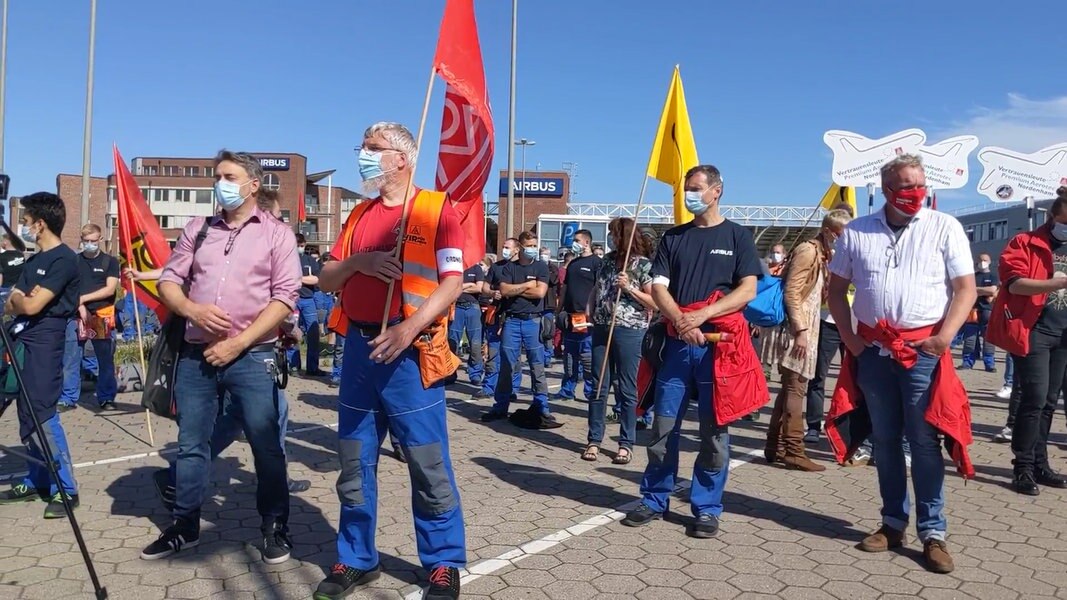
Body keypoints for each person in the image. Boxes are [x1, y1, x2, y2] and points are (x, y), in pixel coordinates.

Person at [315, 122, 465, 600]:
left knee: (427, 462)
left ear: (401, 159)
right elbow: (325, 279)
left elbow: (453, 281)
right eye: (362, 145)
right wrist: (359, 263)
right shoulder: (358, 214)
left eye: (373, 148)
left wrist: (409, 327)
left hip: (410, 352)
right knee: (354, 461)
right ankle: (357, 558)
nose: (363, 154)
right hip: (359, 351)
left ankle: (442, 562)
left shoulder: (437, 208)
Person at [141, 150, 299, 564]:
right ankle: (184, 525)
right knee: (192, 444)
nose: (219, 183)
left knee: (266, 446)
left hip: (252, 356)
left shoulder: (276, 234)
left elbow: (285, 298)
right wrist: (192, 310)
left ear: (252, 184)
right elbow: (170, 281)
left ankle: (274, 526)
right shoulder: (198, 229)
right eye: (216, 176)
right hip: (196, 355)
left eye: (228, 176)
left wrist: (240, 341)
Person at [826, 153, 975, 574]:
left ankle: (934, 532)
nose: (914, 193)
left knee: (924, 441)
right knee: (886, 441)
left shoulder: (944, 226)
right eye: (905, 186)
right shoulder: (857, 230)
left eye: (919, 184)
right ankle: (893, 522)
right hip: (873, 353)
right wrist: (852, 341)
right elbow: (836, 290)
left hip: (922, 353)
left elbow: (964, 289)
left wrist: (944, 338)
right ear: (887, 189)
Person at [621, 164, 764, 538]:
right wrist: (683, 323)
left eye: (697, 188)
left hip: (720, 349)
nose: (690, 195)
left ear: (717, 191)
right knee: (662, 429)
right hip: (678, 346)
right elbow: (658, 287)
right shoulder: (673, 237)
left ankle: (707, 508)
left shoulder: (738, 237)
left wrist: (703, 316)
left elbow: (747, 290)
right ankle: (654, 499)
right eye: (688, 188)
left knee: (715, 434)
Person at [0, 193, 81, 519]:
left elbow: (30, 304)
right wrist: (21, 300)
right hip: (20, 337)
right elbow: (12, 301)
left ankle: (66, 488)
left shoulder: (64, 259)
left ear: (41, 223)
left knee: (42, 411)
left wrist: (22, 300)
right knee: (24, 412)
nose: (25, 226)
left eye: (28, 221)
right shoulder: (34, 260)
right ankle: (37, 478)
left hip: (46, 339)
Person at [987, 186, 1067, 496]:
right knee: (1032, 398)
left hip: (1063, 335)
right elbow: (1014, 284)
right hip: (1034, 331)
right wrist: (1055, 283)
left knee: (1049, 402)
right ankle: (1022, 467)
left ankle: (1040, 463)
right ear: (1052, 217)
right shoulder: (1025, 242)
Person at [762, 210, 851, 471]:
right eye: (840, 236)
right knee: (795, 388)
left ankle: (774, 446)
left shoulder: (821, 254)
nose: (843, 241)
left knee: (791, 386)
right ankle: (794, 450)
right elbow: (791, 292)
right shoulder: (808, 251)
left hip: (805, 329)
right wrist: (800, 331)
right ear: (827, 231)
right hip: (797, 330)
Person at [583, 217, 656, 464]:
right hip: (602, 327)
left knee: (626, 388)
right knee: (598, 383)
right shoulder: (606, 261)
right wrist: (590, 306)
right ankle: (594, 438)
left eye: (615, 234)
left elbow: (654, 303)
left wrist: (630, 289)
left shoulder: (643, 265)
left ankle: (626, 443)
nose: (612, 238)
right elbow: (597, 288)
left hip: (629, 329)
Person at [481, 231, 554, 427]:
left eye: (535, 245)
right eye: (529, 245)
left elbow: (540, 292)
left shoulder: (541, 267)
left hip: (533, 322)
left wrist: (517, 288)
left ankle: (542, 407)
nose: (533, 249)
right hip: (511, 322)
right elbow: (504, 291)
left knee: (537, 366)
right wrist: (527, 285)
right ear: (521, 247)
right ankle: (500, 406)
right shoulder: (509, 268)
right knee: (506, 365)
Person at [58, 224, 120, 411]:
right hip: (76, 316)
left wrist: (84, 298)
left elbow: (110, 289)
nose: (90, 244)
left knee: (104, 359)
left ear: (100, 240)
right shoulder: (73, 261)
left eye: (93, 241)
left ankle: (106, 397)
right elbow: (68, 288)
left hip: (101, 315)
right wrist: (80, 305)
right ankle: (68, 398)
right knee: (71, 359)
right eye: (86, 241)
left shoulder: (109, 262)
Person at [475, 239, 522, 402]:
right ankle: (489, 386)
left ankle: (513, 388)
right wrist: (492, 293)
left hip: (513, 315)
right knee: (493, 352)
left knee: (512, 355)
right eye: (503, 247)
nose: (504, 250)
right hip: (495, 314)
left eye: (507, 247)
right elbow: (484, 287)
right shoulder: (496, 267)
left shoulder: (523, 267)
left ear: (516, 250)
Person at [558, 229, 599, 402]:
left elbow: (600, 288)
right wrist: (559, 310)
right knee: (569, 357)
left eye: (577, 240)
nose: (574, 243)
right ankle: (567, 390)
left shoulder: (597, 263)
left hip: (586, 318)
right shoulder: (573, 264)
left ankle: (590, 392)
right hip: (570, 316)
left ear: (586, 243)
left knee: (587, 357)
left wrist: (594, 313)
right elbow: (565, 288)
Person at [291, 233, 325, 376]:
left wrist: (298, 278)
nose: (300, 248)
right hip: (292, 300)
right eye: (298, 245)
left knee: (313, 333)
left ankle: (313, 367)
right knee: (292, 333)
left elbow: (316, 279)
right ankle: (293, 366)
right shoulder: (287, 260)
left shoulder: (310, 261)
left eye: (302, 245)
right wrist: (305, 279)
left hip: (308, 299)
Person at [450, 258, 486, 385]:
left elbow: (479, 288)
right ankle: (450, 373)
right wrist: (469, 285)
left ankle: (475, 374)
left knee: (475, 344)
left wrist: (459, 288)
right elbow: (449, 287)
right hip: (456, 307)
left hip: (473, 307)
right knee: (452, 342)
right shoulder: (456, 268)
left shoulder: (477, 268)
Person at [959, 253, 998, 371]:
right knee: (969, 339)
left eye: (985, 260)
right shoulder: (972, 277)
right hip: (972, 311)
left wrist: (975, 290)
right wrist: (983, 291)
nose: (983, 262)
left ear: (990, 261)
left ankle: (989, 364)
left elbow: (992, 290)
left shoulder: (993, 276)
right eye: (981, 260)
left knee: (989, 340)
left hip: (988, 311)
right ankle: (967, 362)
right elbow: (967, 290)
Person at [539, 246, 559, 367]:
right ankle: (539, 357)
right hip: (537, 304)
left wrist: (545, 268)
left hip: (548, 304)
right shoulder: (536, 266)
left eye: (545, 254)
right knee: (538, 332)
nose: (543, 257)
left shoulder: (553, 268)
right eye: (541, 254)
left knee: (547, 332)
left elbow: (552, 280)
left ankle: (547, 357)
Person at [0, 233, 26, 310]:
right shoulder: (21, 255)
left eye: (2, 240)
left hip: (4, 290)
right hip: (18, 288)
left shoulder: (1, 257)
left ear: (5, 242)